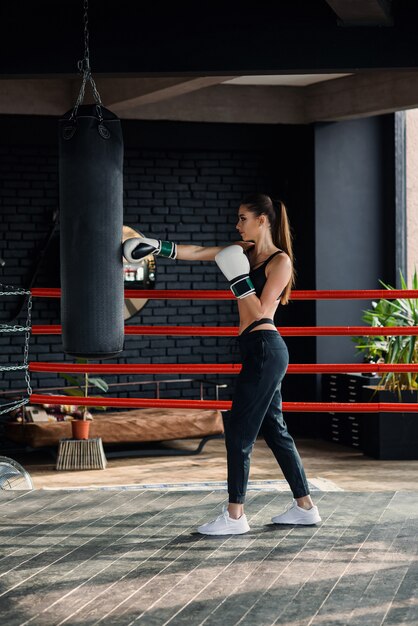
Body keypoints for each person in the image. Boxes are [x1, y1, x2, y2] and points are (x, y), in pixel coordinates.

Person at [123, 193, 321, 535]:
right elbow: (199, 252)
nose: (237, 224)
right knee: (276, 432)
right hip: (256, 349)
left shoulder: (280, 262)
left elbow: (260, 311)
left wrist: (238, 279)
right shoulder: (240, 250)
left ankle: (234, 516)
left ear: (262, 220)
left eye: (243, 218)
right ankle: (305, 507)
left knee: (239, 433)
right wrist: (156, 245)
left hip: (265, 347)